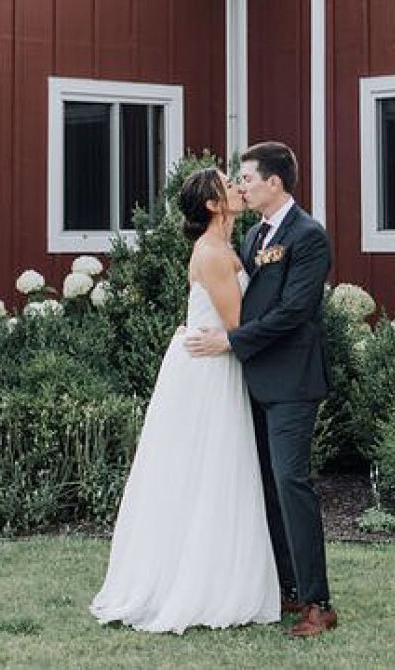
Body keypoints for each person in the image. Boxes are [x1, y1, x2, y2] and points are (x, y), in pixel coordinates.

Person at [90, 167, 280, 634]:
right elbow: (238, 323)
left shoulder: (229, 246)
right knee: (208, 470)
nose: (237, 185)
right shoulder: (212, 252)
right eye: (226, 183)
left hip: (213, 361)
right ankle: (199, 585)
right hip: (208, 371)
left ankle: (218, 572)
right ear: (214, 205)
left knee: (213, 472)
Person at [185, 141, 336, 639]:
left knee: (292, 483)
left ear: (275, 182)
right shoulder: (250, 239)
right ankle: (287, 586)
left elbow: (294, 312)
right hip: (250, 379)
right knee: (266, 487)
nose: (241, 185)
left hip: (292, 381)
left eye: (247, 178)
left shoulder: (308, 236)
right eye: (239, 180)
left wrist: (230, 340)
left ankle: (319, 601)